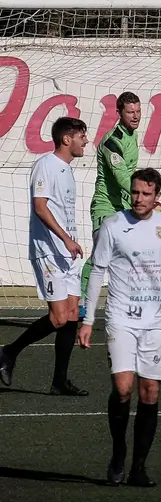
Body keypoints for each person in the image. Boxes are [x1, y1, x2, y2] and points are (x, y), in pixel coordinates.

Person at [79, 168, 161, 487]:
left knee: (150, 391)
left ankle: (138, 468)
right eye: (135, 193)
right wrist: (88, 320)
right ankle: (118, 452)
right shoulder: (113, 226)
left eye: (145, 193)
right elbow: (98, 271)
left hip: (156, 320)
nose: (138, 198)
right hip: (120, 317)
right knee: (123, 388)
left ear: (157, 196)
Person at [0, 117, 89, 396]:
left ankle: (59, 381)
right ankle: (9, 352)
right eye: (81, 135)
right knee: (60, 318)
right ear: (66, 139)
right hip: (49, 251)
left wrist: (71, 242)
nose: (86, 140)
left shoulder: (66, 169)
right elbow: (40, 207)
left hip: (68, 253)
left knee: (72, 315)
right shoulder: (45, 166)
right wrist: (65, 239)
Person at [81, 92, 143, 322]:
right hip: (105, 206)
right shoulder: (111, 141)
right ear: (119, 113)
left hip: (124, 206)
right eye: (130, 112)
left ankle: (123, 304)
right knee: (100, 255)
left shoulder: (132, 136)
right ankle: (80, 302)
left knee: (129, 255)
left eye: (138, 111)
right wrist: (145, 195)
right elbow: (120, 177)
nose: (136, 116)